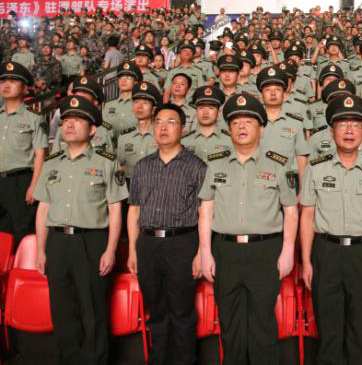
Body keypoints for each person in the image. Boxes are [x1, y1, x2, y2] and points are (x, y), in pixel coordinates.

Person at [197, 92, 298, 364]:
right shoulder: (216, 163)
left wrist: (288, 250)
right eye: (235, 122)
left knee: (263, 324)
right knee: (230, 324)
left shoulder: (278, 164)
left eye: (248, 122)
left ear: (261, 128)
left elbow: (291, 211)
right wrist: (205, 253)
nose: (241, 127)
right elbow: (206, 209)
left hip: (265, 251)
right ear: (228, 128)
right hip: (225, 251)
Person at [34, 95, 127, 365]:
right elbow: (43, 209)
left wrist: (110, 249)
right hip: (58, 243)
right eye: (66, 120)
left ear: (93, 129)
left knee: (93, 309)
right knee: (62, 310)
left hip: (92, 242)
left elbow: (115, 209)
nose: (70, 125)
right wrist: (40, 249)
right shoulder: (51, 164)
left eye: (78, 120)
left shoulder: (107, 162)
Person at [300, 93, 362, 365]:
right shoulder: (316, 169)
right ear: (332, 130)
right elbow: (307, 216)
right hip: (326, 253)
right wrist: (305, 261)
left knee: (358, 333)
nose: (349, 130)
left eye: (355, 124)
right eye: (342, 124)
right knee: (328, 333)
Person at [127, 103, 208, 365]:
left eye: (171, 122)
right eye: (159, 121)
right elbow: (134, 210)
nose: (163, 127)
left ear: (183, 129)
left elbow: (206, 212)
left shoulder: (196, 166)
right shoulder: (141, 167)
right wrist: (132, 249)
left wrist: (200, 253)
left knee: (182, 312)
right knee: (156, 310)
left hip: (183, 243)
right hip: (148, 244)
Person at [0, 61, 48, 244]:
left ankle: (21, 270)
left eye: (13, 80)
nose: (6, 84)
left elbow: (40, 154)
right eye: (3, 80)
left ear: (24, 88)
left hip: (21, 182)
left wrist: (34, 185)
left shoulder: (34, 118)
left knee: (22, 232)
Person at [117, 81, 162, 182]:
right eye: (136, 102)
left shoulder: (162, 134)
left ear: (154, 109)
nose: (139, 106)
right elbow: (121, 166)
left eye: (145, 103)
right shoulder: (124, 137)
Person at [181, 85, 232, 162]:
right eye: (201, 108)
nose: (205, 112)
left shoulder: (230, 141)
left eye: (211, 108)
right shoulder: (183, 141)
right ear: (196, 111)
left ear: (218, 112)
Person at [103, 61, 143, 139]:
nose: (123, 80)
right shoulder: (109, 105)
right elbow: (103, 130)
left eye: (128, 78)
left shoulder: (140, 105)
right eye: (121, 78)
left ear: (135, 82)